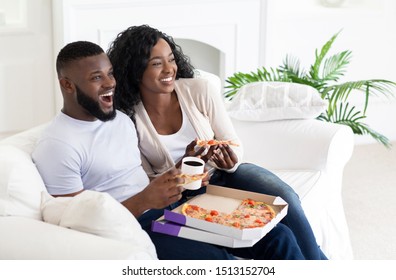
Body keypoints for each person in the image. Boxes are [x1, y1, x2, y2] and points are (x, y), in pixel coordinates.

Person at [32, 40, 306, 260]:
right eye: (96, 77)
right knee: (219, 262)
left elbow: (138, 180)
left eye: (110, 73)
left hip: (172, 210)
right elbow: (72, 224)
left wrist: (181, 167)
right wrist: (145, 200)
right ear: (67, 84)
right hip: (139, 227)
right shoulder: (57, 145)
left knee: (278, 236)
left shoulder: (119, 120)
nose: (109, 83)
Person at [107, 25, 327, 260]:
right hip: (180, 192)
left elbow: (232, 142)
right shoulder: (128, 118)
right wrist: (186, 167)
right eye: (157, 63)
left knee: (285, 197)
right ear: (135, 70)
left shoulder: (199, 90)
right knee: (270, 236)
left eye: (171, 59)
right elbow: (149, 182)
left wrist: (230, 159)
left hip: (226, 173)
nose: (169, 69)